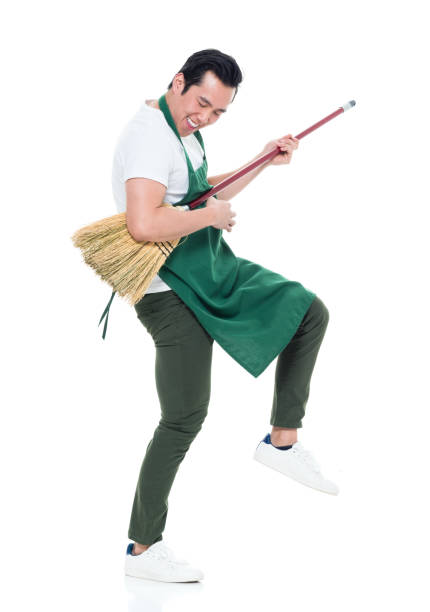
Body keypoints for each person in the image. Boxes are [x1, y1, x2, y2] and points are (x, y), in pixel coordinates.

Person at [109, 49, 338, 583]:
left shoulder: (184, 128)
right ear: (177, 81)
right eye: (201, 104)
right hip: (168, 289)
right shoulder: (148, 136)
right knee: (184, 415)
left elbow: (200, 194)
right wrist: (209, 215)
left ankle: (282, 441)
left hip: (209, 265)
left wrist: (259, 162)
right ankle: (143, 552)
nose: (206, 118)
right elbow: (143, 224)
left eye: (218, 112)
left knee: (308, 311)